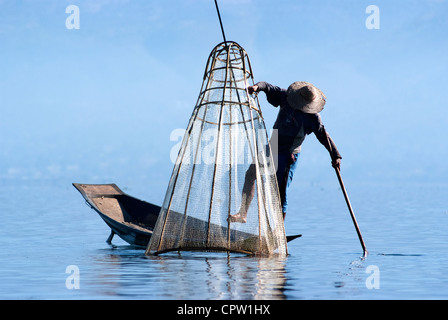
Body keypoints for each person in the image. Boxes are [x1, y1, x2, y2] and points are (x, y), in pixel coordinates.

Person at [228, 81, 342, 223]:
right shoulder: (287, 97)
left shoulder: (313, 117)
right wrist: (256, 87)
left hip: (289, 154)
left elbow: (324, 136)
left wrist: (335, 155)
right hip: (273, 145)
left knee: (279, 193)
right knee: (251, 174)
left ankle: (279, 230)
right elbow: (267, 86)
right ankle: (242, 214)